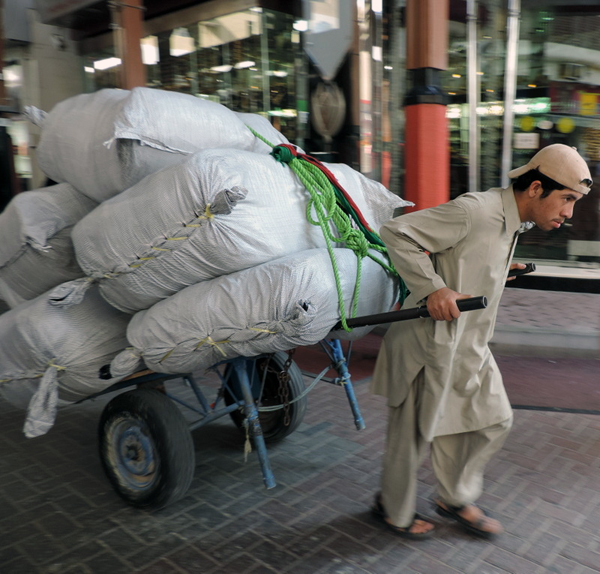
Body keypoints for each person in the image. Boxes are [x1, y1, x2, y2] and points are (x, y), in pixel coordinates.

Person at [370, 144, 592, 540]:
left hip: (470, 344)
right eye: (567, 200)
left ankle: (453, 497)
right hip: (429, 342)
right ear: (537, 188)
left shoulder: (513, 221)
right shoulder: (475, 210)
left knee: (492, 419)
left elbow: (466, 256)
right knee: (412, 436)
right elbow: (397, 232)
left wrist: (497, 271)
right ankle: (393, 510)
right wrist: (434, 289)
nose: (569, 214)